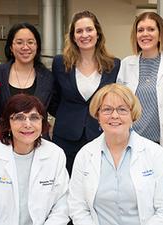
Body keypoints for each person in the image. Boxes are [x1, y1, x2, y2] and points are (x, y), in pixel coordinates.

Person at [68, 83, 163, 225]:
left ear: (133, 115)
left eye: (122, 110)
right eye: (107, 110)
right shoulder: (85, 154)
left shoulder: (155, 153)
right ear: (98, 115)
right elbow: (78, 207)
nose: (114, 116)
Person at [0, 94, 69, 225]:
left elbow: (62, 205)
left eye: (34, 118)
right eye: (19, 118)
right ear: (8, 124)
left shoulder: (55, 154)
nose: (27, 124)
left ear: (42, 122)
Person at [51, 10, 120, 174]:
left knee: (97, 183)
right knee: (66, 183)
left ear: (98, 33)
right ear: (73, 36)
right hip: (66, 137)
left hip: (100, 135)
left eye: (89, 29)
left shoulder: (113, 65)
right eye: (79, 31)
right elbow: (54, 98)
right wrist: (66, 115)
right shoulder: (61, 63)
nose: (85, 35)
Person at [117, 12, 163, 159]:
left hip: (161, 143)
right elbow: (119, 105)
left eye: (151, 29)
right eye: (140, 30)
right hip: (131, 141)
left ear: (160, 34)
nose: (145, 34)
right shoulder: (126, 64)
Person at [0, 22, 54, 119]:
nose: (25, 47)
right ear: (11, 47)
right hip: (6, 133)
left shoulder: (48, 77)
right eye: (19, 42)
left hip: (39, 134)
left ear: (37, 46)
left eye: (30, 42)